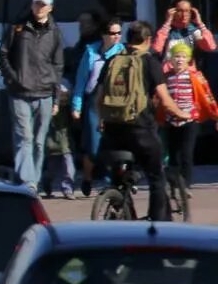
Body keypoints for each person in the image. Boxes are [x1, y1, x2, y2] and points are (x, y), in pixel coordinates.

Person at [95, 19, 172, 221]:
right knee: (156, 177)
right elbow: (164, 99)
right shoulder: (149, 62)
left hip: (112, 131)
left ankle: (120, 209)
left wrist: (102, 119)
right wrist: (182, 113)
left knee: (118, 177)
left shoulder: (112, 61)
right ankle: (158, 224)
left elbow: (98, 97)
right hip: (140, 129)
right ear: (148, 40)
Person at [2, 0, 65, 191]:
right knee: (24, 138)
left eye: (43, 4)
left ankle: (33, 181)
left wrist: (56, 98)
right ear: (32, 5)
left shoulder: (55, 33)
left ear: (50, 8)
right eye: (37, 3)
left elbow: (57, 66)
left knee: (39, 142)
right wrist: (13, 79)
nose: (39, 7)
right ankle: (26, 182)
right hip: (20, 93)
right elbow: (2, 55)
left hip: (45, 94)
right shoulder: (17, 28)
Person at [71, 17, 124, 197]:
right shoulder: (91, 52)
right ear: (103, 35)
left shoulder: (123, 53)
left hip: (114, 101)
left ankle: (111, 182)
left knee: (112, 143)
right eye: (112, 33)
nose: (116, 37)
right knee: (93, 146)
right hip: (93, 101)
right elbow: (80, 81)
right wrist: (76, 106)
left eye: (119, 33)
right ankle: (88, 177)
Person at [162, 40, 218, 196]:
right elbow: (159, 99)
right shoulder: (166, 78)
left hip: (190, 120)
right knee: (173, 156)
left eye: (182, 56)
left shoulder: (195, 77)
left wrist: (216, 115)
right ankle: (174, 186)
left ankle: (186, 186)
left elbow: (208, 97)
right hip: (171, 121)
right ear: (171, 59)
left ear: (188, 59)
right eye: (176, 57)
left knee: (186, 153)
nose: (179, 60)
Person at [152, 0, 218, 56]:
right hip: (167, 68)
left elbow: (210, 47)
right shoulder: (165, 30)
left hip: (188, 69)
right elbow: (156, 48)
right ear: (173, 12)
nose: (184, 15)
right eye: (180, 11)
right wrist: (167, 22)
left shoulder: (193, 30)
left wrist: (200, 23)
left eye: (187, 11)